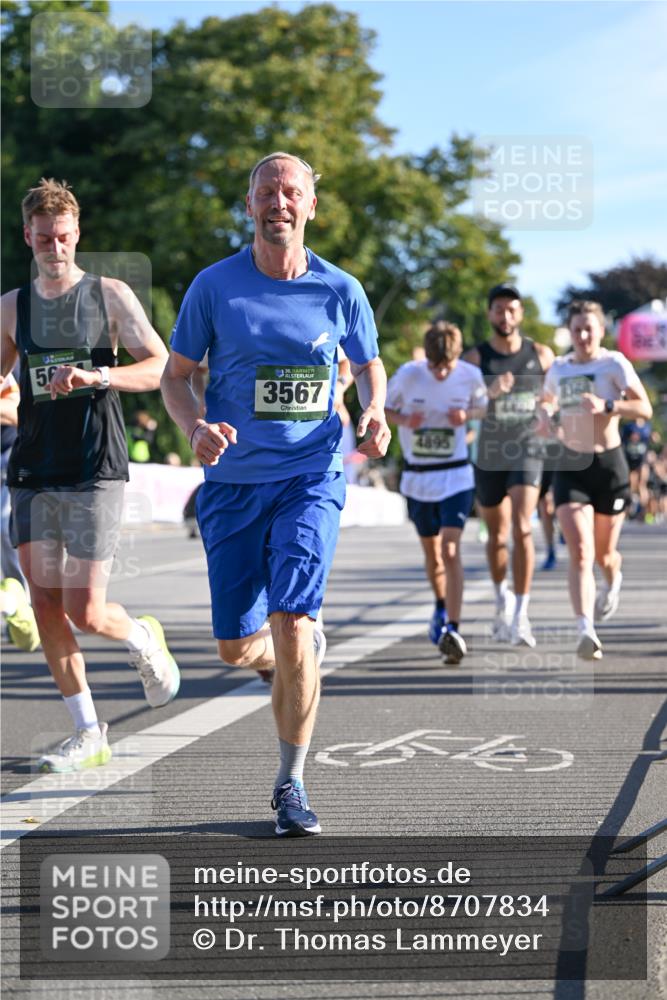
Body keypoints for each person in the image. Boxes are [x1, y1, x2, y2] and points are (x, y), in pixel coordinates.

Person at [160, 151, 390, 837]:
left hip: (310, 475)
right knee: (237, 647)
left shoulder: (339, 289)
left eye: (290, 192)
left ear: (310, 207)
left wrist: (374, 412)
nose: (278, 202)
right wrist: (195, 426)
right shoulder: (214, 287)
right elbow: (176, 376)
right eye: (266, 191)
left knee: (292, 622)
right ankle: (290, 659)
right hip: (231, 485)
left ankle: (290, 781)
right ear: (250, 205)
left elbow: (370, 364)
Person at [0, 178, 181, 772]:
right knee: (45, 604)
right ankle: (88, 731)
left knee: (85, 609)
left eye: (64, 235)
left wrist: (99, 377)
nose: (55, 245)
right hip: (32, 466)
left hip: (93, 465)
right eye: (44, 236)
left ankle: (140, 638)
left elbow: (158, 367)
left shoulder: (110, 295)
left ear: (77, 234)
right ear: (28, 236)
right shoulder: (11, 308)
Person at [539, 300, 653, 659]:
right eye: (576, 329)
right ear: (569, 332)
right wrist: (544, 412)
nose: (583, 335)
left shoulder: (614, 364)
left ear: (601, 330)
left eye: (589, 328)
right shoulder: (558, 368)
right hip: (570, 465)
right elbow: (546, 402)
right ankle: (585, 628)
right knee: (581, 550)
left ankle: (612, 579)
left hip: (609, 465)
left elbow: (644, 408)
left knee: (604, 554)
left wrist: (607, 406)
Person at [386, 321, 487, 662]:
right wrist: (403, 421)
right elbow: (382, 410)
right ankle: (441, 606)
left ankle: (453, 628)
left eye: (447, 366)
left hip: (456, 475)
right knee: (432, 554)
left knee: (450, 548)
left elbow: (485, 407)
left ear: (458, 357)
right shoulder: (408, 375)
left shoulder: (470, 375)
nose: (441, 373)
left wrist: (467, 414)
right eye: (435, 366)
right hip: (419, 476)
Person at [464, 285, 554, 647]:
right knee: (497, 535)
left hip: (527, 449)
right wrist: (490, 394)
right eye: (499, 310)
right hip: (489, 453)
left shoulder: (541, 355)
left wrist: (550, 408)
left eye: (512, 310)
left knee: (522, 527)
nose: (506, 316)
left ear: (521, 314)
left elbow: (555, 395)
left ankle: (522, 615)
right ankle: (502, 599)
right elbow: (462, 408)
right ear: (489, 314)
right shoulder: (474, 360)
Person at [1, 368, 40, 650]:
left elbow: (19, 412)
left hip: (8, 457)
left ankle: (25, 606)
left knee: (5, 528)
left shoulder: (8, 359)